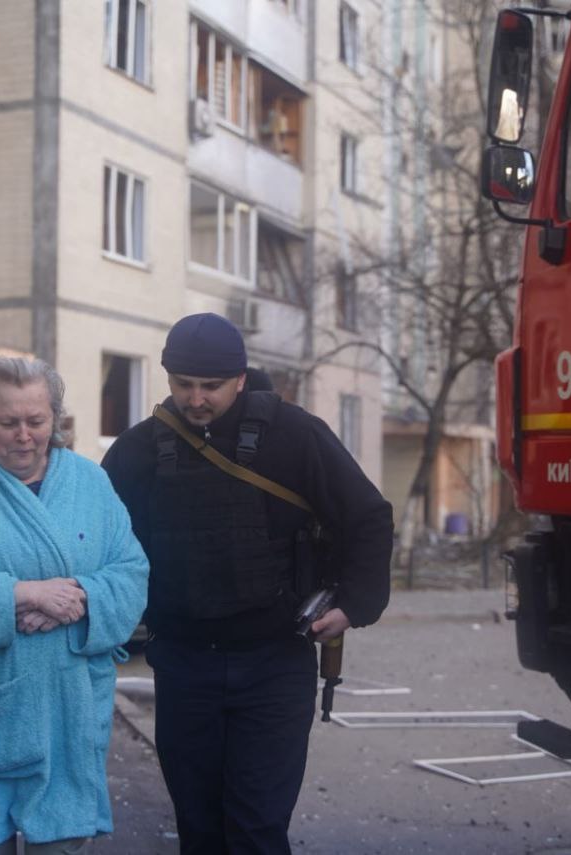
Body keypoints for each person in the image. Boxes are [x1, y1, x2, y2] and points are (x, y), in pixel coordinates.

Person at [102, 313, 393, 854]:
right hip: (185, 664)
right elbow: (97, 539)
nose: (195, 399)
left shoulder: (296, 435)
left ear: (239, 378)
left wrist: (354, 602)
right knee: (199, 827)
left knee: (257, 828)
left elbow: (368, 516)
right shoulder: (140, 449)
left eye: (210, 386)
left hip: (274, 664)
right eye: (182, 384)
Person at [0, 357, 149, 855]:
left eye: (36, 422)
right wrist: (26, 594)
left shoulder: (91, 484)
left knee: (63, 841)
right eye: (8, 422)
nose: (23, 435)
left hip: (69, 710)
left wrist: (79, 597)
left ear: (55, 419)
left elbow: (131, 572)